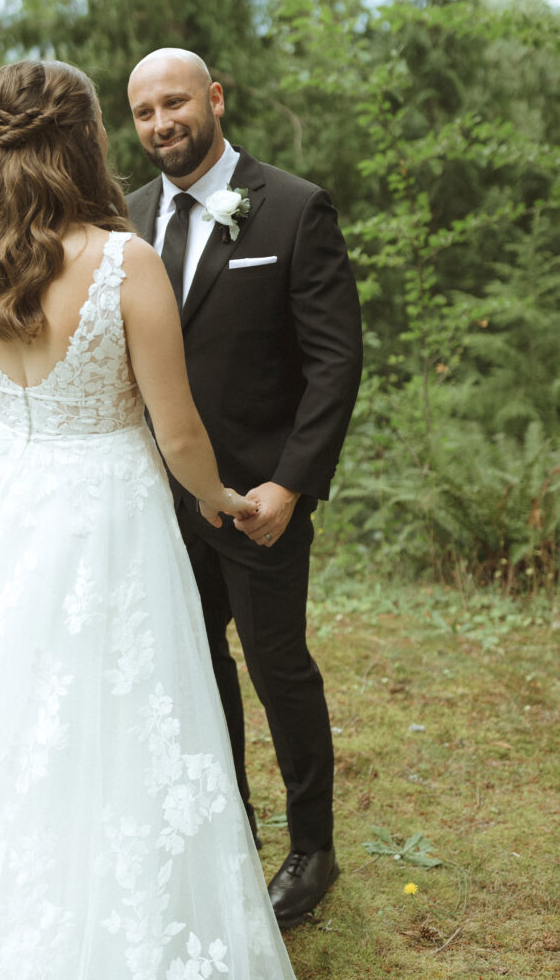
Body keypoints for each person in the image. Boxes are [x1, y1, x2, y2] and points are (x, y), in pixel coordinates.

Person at [0, 60, 300, 980]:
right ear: (89, 138)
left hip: (12, 486)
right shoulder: (125, 260)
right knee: (115, 699)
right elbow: (177, 429)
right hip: (107, 504)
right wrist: (223, 499)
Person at [126, 48, 363, 928]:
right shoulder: (127, 217)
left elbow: (336, 362)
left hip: (259, 505)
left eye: (176, 103)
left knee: (277, 670)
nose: (162, 124)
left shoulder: (295, 208)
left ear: (215, 99)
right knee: (193, 671)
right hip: (158, 502)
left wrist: (290, 486)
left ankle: (312, 849)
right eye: (146, 111)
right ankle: (229, 835)